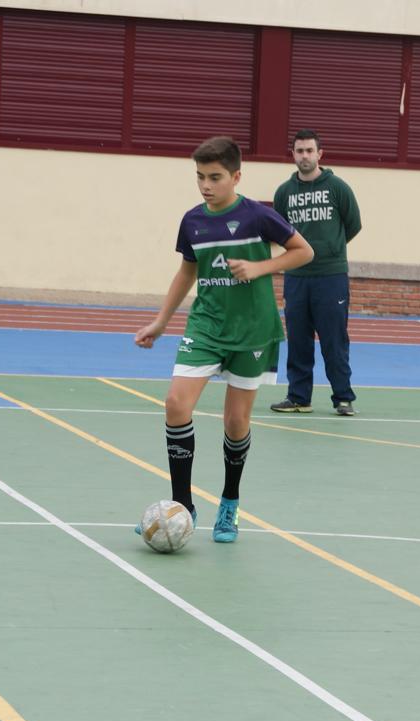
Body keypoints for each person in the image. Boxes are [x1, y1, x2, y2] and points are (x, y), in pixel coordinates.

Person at [134, 136, 314, 542]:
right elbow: (186, 272)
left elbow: (303, 251)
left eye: (215, 177)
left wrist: (260, 267)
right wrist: (162, 321)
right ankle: (184, 505)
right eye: (200, 177)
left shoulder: (257, 216)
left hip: (253, 330)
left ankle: (230, 503)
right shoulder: (193, 220)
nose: (205, 185)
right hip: (206, 326)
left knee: (236, 422)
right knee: (176, 404)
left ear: (236, 176)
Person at [270, 128, 361, 416]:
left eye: (310, 150)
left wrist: (330, 250)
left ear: (320, 154)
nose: (305, 156)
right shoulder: (284, 193)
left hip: (330, 277)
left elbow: (353, 224)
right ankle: (298, 397)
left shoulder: (338, 188)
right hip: (296, 278)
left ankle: (343, 398)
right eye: (300, 151)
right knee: (298, 340)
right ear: (293, 154)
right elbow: (279, 231)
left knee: (334, 340)